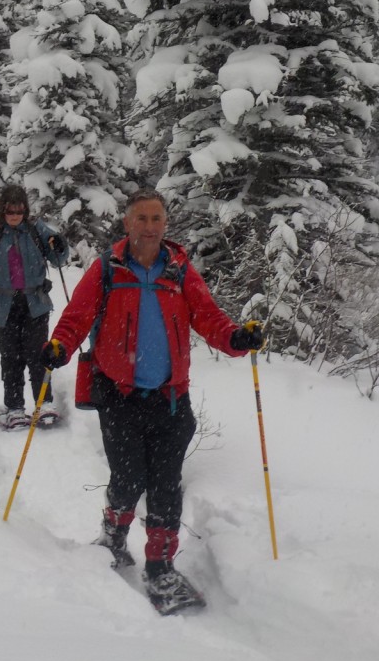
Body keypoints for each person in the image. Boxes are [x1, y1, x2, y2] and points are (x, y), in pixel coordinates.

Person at [39, 188, 263, 613]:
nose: (149, 226)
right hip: (120, 397)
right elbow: (77, 317)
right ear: (127, 223)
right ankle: (114, 536)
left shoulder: (179, 270)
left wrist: (236, 338)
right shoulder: (108, 267)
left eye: (156, 218)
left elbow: (208, 316)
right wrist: (58, 347)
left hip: (169, 400)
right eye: (141, 218)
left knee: (165, 487)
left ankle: (160, 567)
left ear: (165, 223)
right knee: (127, 480)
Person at [0, 184, 69, 429]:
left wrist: (60, 245)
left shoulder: (36, 229)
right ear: (2, 210)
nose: (15, 215)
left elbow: (58, 259)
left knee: (38, 355)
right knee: (11, 358)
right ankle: (15, 408)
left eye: (19, 210)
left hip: (34, 303)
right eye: (10, 211)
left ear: (25, 210)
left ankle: (44, 404)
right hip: (1, 305)